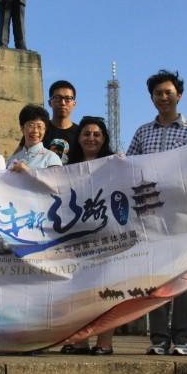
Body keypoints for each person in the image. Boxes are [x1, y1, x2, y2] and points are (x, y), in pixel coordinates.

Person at [126, 70, 187, 357]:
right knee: (155, 278)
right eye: (157, 93)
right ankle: (159, 338)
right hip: (151, 217)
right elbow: (128, 168)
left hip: (183, 215)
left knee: (186, 278)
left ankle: (184, 338)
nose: (163, 97)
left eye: (168, 92)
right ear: (152, 98)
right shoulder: (142, 132)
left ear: (178, 95)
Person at [60, 116, 116, 356]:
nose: (91, 138)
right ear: (78, 138)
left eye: (97, 134)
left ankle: (105, 342)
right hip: (77, 236)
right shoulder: (68, 168)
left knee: (106, 290)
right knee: (79, 290)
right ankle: (80, 340)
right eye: (86, 134)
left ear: (104, 139)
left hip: (107, 234)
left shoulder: (115, 165)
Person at [7, 104, 61, 172]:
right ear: (22, 128)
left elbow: (55, 181)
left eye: (39, 126)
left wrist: (28, 171)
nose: (35, 131)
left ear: (45, 130)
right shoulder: (12, 160)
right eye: (31, 125)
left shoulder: (51, 158)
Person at [43, 80, 79, 164]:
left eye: (68, 99)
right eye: (57, 98)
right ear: (49, 102)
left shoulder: (81, 133)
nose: (62, 103)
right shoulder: (39, 130)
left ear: (74, 103)